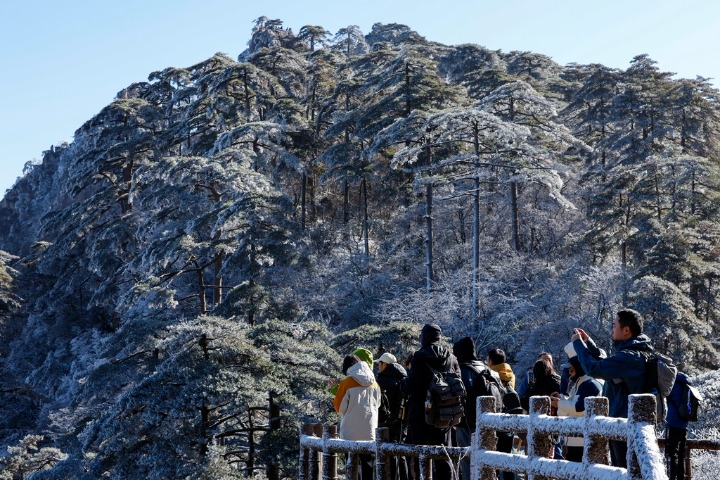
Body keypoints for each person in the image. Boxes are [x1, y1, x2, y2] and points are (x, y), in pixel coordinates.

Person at [570, 308, 653, 467]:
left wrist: (578, 344)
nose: (611, 330)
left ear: (626, 330)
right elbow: (607, 365)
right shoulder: (633, 353)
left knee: (623, 470)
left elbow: (594, 369)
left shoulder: (630, 357)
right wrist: (589, 344)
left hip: (624, 423)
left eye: (614, 325)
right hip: (624, 422)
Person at [400, 323, 460, 479]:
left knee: (422, 454)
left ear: (424, 337)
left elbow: (412, 385)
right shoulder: (450, 357)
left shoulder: (419, 357)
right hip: (445, 412)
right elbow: (457, 381)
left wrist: (402, 385)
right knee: (443, 453)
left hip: (421, 414)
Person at [453, 336, 502, 480]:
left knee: (468, 461)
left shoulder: (462, 370)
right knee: (487, 461)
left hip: (467, 424)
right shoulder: (487, 369)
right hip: (490, 423)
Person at [333, 348, 382, 479]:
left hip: (350, 432)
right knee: (368, 464)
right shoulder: (375, 383)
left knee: (352, 466)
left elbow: (340, 408)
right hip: (370, 431)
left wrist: (336, 392)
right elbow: (378, 404)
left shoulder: (346, 383)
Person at [551, 356, 603, 462]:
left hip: (582, 441)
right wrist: (561, 398)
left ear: (580, 368)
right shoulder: (583, 384)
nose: (569, 373)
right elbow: (574, 403)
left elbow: (579, 409)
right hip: (577, 439)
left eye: (572, 369)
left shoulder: (589, 385)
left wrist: (559, 404)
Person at [375, 352, 409, 480]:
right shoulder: (403, 378)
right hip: (402, 422)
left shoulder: (381, 381)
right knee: (401, 453)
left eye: (380, 363)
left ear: (385, 364)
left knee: (387, 454)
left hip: (386, 424)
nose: (379, 366)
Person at [486, 347, 518, 480]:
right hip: (509, 418)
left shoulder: (491, 374)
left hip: (495, 418)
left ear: (491, 361)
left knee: (493, 458)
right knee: (507, 456)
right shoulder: (510, 374)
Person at [665, 371, 691, 480]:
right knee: (681, 454)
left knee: (672, 453)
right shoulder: (688, 386)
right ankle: (681, 477)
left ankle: (672, 477)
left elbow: (665, 395)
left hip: (672, 423)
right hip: (684, 423)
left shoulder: (672, 385)